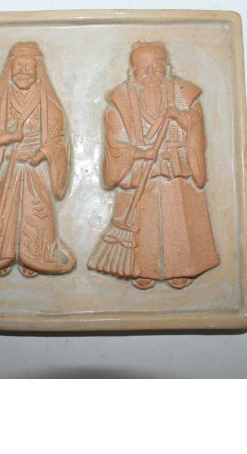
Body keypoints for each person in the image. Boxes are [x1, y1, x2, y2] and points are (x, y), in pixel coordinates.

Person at [89, 41, 220, 289]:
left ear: (167, 68)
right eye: (143, 66)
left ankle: (182, 267)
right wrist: (139, 153)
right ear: (132, 72)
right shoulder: (121, 102)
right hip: (141, 173)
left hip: (176, 173)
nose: (150, 72)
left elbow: (195, 125)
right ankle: (143, 268)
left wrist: (181, 116)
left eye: (156, 66)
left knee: (179, 219)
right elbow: (115, 143)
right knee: (145, 222)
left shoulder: (184, 96)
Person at [0, 42, 75, 278]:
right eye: (18, 67)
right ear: (9, 70)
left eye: (28, 67)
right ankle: (1, 258)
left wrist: (41, 153)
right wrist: (7, 137)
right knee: (5, 213)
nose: (23, 72)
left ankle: (35, 258)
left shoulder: (49, 106)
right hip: (9, 168)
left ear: (38, 70)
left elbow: (58, 141)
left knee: (36, 214)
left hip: (35, 171)